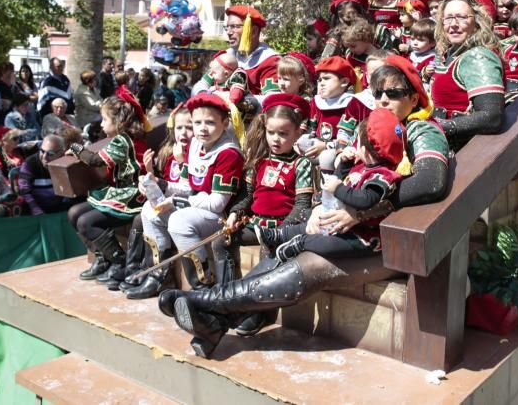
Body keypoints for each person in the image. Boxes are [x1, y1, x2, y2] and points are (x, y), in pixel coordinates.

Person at [157, 54, 451, 356]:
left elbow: (431, 180)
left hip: (390, 240)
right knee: (294, 248)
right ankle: (214, 322)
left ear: (415, 98)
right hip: (352, 230)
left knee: (310, 264)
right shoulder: (375, 129)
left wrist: (363, 209)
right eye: (378, 93)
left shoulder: (419, 129)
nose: (384, 100)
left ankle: (205, 303)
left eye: (395, 93)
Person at [256, 108, 404, 262]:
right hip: (339, 221)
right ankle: (276, 235)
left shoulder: (383, 175)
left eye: (357, 142)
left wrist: (338, 188)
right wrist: (345, 164)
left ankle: (298, 245)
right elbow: (341, 178)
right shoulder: (362, 165)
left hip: (361, 235)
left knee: (327, 244)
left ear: (365, 151)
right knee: (308, 220)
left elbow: (365, 199)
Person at [215, 93, 315, 278]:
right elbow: (247, 194)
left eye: (283, 134)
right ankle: (224, 293)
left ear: (297, 133)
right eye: (271, 133)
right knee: (221, 241)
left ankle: (260, 305)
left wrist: (280, 232)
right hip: (256, 225)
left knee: (267, 254)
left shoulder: (301, 164)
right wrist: (235, 214)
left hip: (281, 227)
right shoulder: (259, 161)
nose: (276, 139)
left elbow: (302, 205)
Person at [66, 97, 147, 284]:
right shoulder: (121, 139)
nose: (101, 125)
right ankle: (102, 258)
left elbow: (95, 160)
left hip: (132, 195)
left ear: (118, 121)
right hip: (120, 191)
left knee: (86, 222)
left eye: (104, 119)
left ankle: (118, 261)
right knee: (73, 213)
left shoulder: (123, 140)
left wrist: (77, 148)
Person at [123, 105, 194, 298]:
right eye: (179, 128)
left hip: (193, 208)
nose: (184, 133)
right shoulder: (170, 153)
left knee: (148, 212)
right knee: (147, 210)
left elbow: (190, 189)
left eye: (189, 127)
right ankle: (154, 274)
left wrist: (180, 164)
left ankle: (158, 275)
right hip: (172, 204)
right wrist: (149, 178)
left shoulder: (196, 154)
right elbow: (166, 186)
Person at [430, 0, 505, 151]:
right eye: (448, 18)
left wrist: (440, 127)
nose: (454, 24)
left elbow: (491, 117)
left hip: (463, 151)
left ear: (477, 22)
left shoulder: (478, 56)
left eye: (462, 17)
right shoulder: (449, 53)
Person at [221, 5, 281, 101]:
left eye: (234, 27)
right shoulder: (225, 56)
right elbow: (202, 85)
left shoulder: (270, 61)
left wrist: (228, 99)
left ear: (253, 31)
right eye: (227, 27)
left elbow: (272, 99)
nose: (228, 32)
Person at [16, 134, 71, 216]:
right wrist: (36, 210)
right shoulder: (29, 164)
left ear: (61, 153)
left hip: (60, 208)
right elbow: (25, 192)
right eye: (42, 151)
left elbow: (71, 191)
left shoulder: (67, 163)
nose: (44, 156)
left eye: (50, 153)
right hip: (36, 209)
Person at [407, 18, 437, 82]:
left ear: (432, 43)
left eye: (420, 40)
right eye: (412, 39)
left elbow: (430, 76)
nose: (415, 43)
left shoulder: (432, 58)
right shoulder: (413, 54)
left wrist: (427, 71)